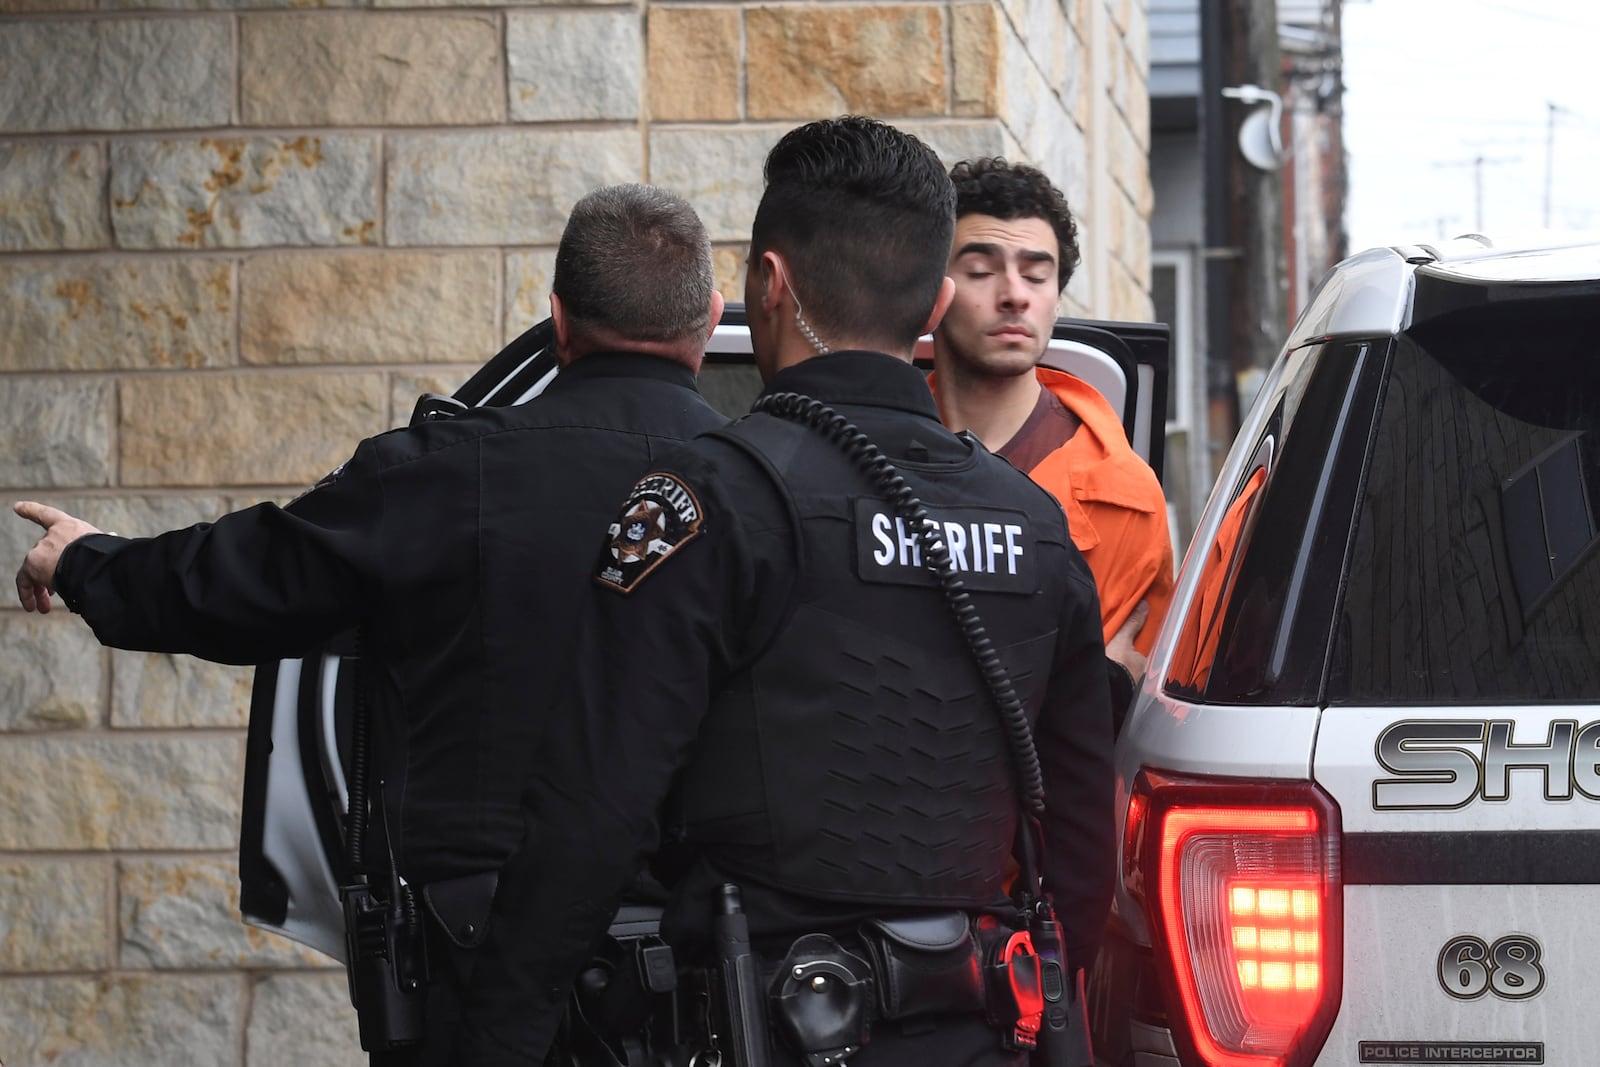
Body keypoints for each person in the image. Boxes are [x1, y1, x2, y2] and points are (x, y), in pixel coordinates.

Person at [11, 183, 730, 1065]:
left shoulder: (441, 474)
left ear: (558, 320)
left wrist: (87, 560)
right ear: (711, 317)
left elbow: (239, 581)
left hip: (471, 962)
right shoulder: (770, 495)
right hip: (712, 977)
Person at [454, 117, 1114, 1067]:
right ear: (934, 302)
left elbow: (592, 812)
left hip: (764, 1025)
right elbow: (1083, 831)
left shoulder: (707, 499)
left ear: (769, 284)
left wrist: (498, 1039)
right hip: (977, 1032)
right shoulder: (1036, 526)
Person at [929, 157, 1174, 699]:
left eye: (1037, 274)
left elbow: (1112, 718)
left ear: (1056, 297)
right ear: (932, 289)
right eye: (981, 270)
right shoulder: (868, 447)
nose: (1015, 293)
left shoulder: (1124, 498)